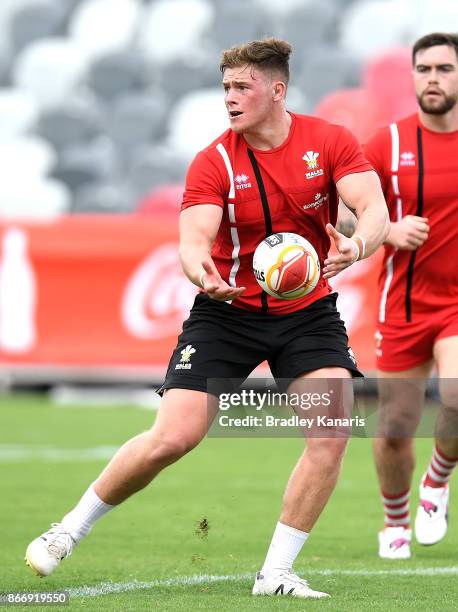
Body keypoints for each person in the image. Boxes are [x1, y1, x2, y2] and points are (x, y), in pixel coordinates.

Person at [25, 38, 388, 598]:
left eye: (242, 87)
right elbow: (193, 242)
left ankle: (275, 575)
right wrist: (203, 275)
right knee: (174, 437)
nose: (230, 98)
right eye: (225, 88)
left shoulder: (329, 141)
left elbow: (374, 210)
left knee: (331, 431)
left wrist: (358, 246)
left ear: (277, 89)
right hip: (226, 311)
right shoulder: (213, 160)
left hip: (308, 310)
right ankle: (69, 529)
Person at [362, 32, 458, 559]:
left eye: (444, 69)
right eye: (424, 70)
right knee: (397, 426)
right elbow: (341, 208)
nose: (433, 79)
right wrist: (388, 230)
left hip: (457, 305)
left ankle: (436, 483)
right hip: (402, 304)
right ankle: (394, 520)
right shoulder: (389, 143)